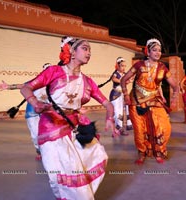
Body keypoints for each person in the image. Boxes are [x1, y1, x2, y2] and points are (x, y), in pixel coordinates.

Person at [20, 36, 115, 199]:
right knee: (65, 172)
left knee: (98, 156)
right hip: (52, 129)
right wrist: (35, 103)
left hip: (75, 127)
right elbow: (26, 87)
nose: (89, 53)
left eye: (90, 49)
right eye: (85, 48)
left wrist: (110, 117)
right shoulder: (54, 72)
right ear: (71, 51)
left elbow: (108, 104)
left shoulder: (87, 81)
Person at [120, 38, 179, 164]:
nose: (158, 53)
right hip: (136, 101)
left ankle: (159, 150)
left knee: (164, 127)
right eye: (154, 50)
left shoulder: (163, 68)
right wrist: (125, 95)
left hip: (154, 100)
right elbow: (123, 80)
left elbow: (175, 85)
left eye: (159, 50)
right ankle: (142, 152)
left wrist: (173, 99)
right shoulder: (139, 65)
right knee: (140, 130)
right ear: (148, 52)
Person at [0, 63, 51, 161]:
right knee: (35, 133)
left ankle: (49, 151)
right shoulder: (36, 82)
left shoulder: (57, 83)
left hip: (47, 110)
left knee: (49, 132)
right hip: (32, 111)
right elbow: (22, 86)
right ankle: (39, 151)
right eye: (47, 70)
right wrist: (8, 86)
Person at [108, 57, 133, 135]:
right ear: (117, 66)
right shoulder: (116, 73)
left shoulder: (124, 74)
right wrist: (124, 81)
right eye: (122, 65)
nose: (123, 67)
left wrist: (128, 81)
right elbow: (114, 79)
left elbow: (128, 80)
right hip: (116, 95)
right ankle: (116, 130)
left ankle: (123, 128)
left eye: (125, 66)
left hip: (122, 95)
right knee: (117, 113)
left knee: (125, 111)